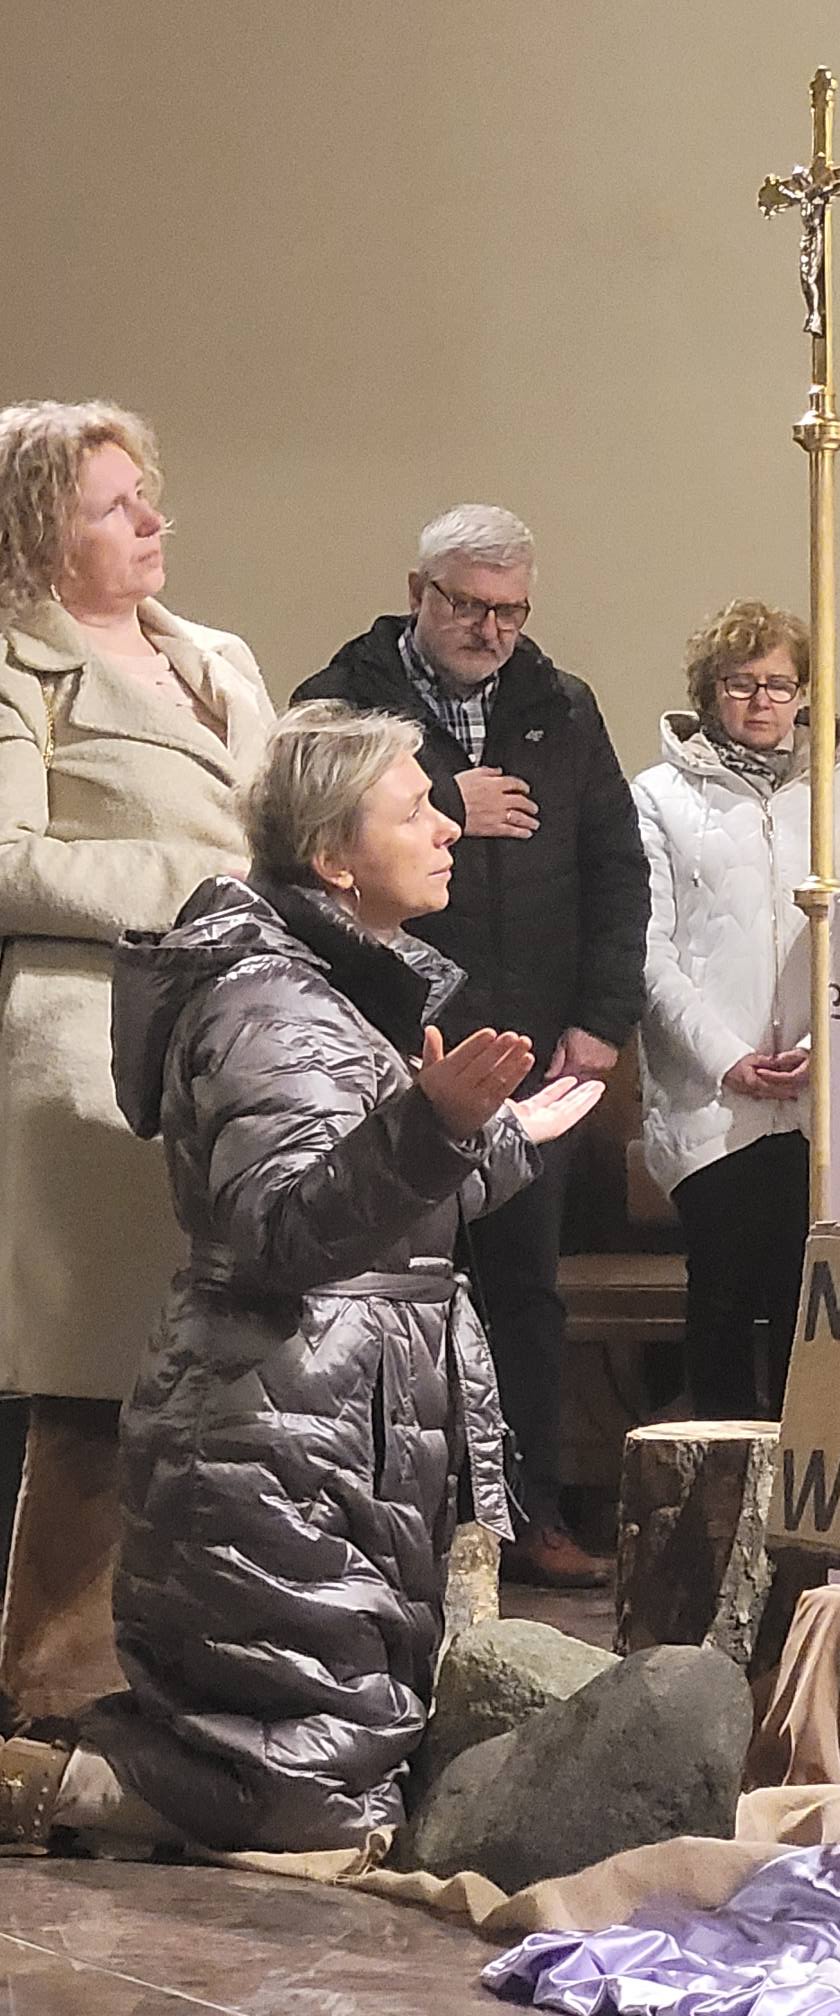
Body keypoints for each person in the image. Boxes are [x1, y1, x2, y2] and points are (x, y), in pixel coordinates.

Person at [0, 700, 602, 1855]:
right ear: (332, 857)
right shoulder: (271, 1007)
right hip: (278, 1436)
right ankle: (53, 1784)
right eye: (413, 810)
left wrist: (488, 1137)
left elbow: (374, 1211)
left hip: (320, 1426)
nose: (447, 827)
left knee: (341, 1761)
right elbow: (284, 1232)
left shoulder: (325, 992)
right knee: (306, 1791)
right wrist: (434, 1127)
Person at [297, 505, 649, 1587]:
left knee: (523, 1292)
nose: (490, 629)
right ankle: (398, 1529)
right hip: (393, 1053)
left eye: (511, 610)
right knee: (397, 1290)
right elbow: (302, 847)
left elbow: (617, 868)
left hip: (532, 1054)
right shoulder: (341, 698)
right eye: (467, 605)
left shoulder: (561, 705)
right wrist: (449, 799)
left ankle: (529, 1517)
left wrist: (600, 1019)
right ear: (419, 592)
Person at [0, 399, 274, 1727]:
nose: (153, 520)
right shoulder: (17, 668)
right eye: (114, 507)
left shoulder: (215, 655)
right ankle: (53, 1702)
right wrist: (205, 883)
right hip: (89, 1058)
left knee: (216, 1383)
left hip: (236, 1046)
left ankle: (193, 1683)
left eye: (144, 494)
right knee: (97, 1391)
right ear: (39, 531)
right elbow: (9, 860)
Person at [633, 599, 840, 1419]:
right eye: (740, 683)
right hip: (713, 1093)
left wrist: (822, 1043)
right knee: (720, 1292)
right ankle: (715, 1475)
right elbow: (649, 947)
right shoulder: (660, 796)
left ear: (805, 692)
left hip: (819, 1088)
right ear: (709, 691)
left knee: (803, 1296)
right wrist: (725, 1057)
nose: (761, 701)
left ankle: (793, 1476)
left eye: (779, 684)